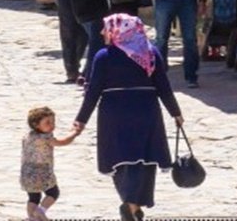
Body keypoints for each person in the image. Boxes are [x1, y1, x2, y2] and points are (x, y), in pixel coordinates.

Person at [74, 14, 183, 221]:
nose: (102, 32)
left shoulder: (103, 56)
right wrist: (175, 112)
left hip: (114, 113)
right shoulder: (151, 54)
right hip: (147, 110)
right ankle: (134, 204)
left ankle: (130, 202)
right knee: (145, 158)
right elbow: (163, 86)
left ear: (118, 30)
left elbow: (93, 91)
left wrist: (81, 120)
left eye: (106, 28)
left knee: (120, 159)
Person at [21, 106, 81, 221]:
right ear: (36, 125)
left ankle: (31, 217)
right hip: (42, 173)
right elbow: (62, 142)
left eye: (53, 121)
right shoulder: (46, 137)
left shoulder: (28, 136)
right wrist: (74, 134)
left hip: (26, 174)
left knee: (33, 197)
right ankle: (40, 211)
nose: (52, 125)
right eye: (48, 122)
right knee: (53, 193)